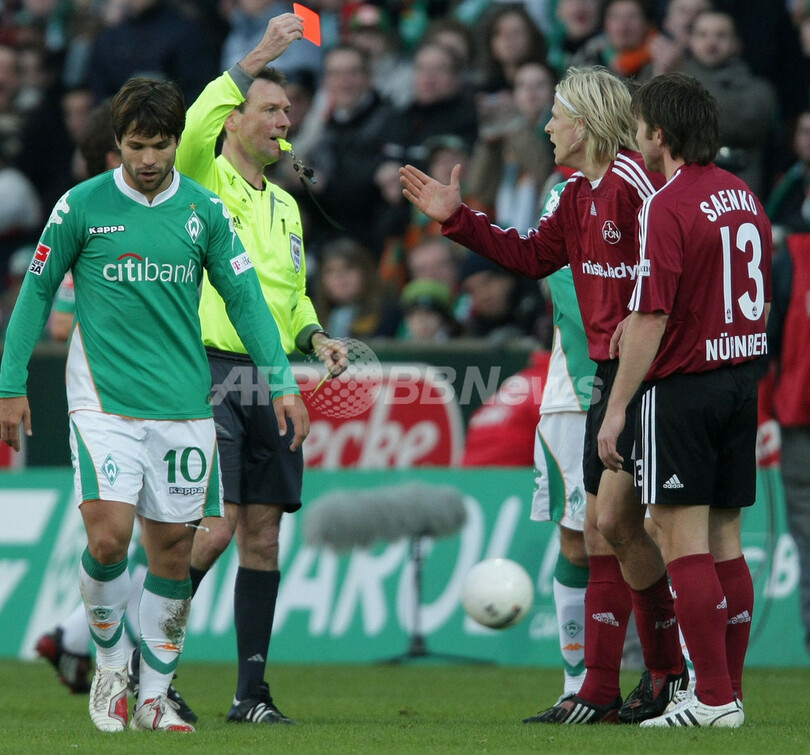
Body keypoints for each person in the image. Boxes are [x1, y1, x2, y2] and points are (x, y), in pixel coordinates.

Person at [0, 77, 308, 733]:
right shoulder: (81, 206)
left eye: (160, 145)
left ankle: (154, 696)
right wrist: (10, 383)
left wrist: (282, 382)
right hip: (103, 401)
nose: (148, 159)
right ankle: (112, 665)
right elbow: (35, 292)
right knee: (108, 537)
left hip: (184, 404)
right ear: (118, 143)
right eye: (136, 146)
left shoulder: (204, 211)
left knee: (172, 550)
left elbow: (247, 302)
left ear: (175, 142)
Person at [400, 65, 687, 725]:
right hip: (608, 379)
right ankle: (618, 685)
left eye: (555, 115)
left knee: (658, 530)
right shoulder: (576, 194)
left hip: (652, 377)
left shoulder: (636, 187)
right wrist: (459, 220)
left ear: (582, 123)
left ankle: (667, 678)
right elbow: (531, 256)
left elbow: (675, 280)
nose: (547, 126)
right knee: (608, 528)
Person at [173, 13, 345, 725]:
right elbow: (191, 124)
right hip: (207, 370)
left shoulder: (285, 206)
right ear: (235, 119)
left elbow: (290, 295)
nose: (285, 121)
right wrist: (259, 55)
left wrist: (315, 337)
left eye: (287, 111)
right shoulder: (199, 178)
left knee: (263, 534)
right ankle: (146, 662)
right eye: (271, 109)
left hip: (271, 379)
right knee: (213, 528)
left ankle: (250, 693)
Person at [597, 71, 772, 727]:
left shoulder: (665, 204)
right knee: (725, 539)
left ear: (659, 133)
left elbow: (653, 317)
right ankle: (729, 693)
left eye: (640, 125)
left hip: (685, 387)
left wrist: (618, 407)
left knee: (678, 536)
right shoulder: (743, 195)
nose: (637, 135)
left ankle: (714, 699)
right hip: (739, 379)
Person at [766, 234, 810, 656]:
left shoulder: (793, 258)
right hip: (798, 425)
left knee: (808, 536)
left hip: (799, 417)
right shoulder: (791, 257)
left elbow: (768, 341)